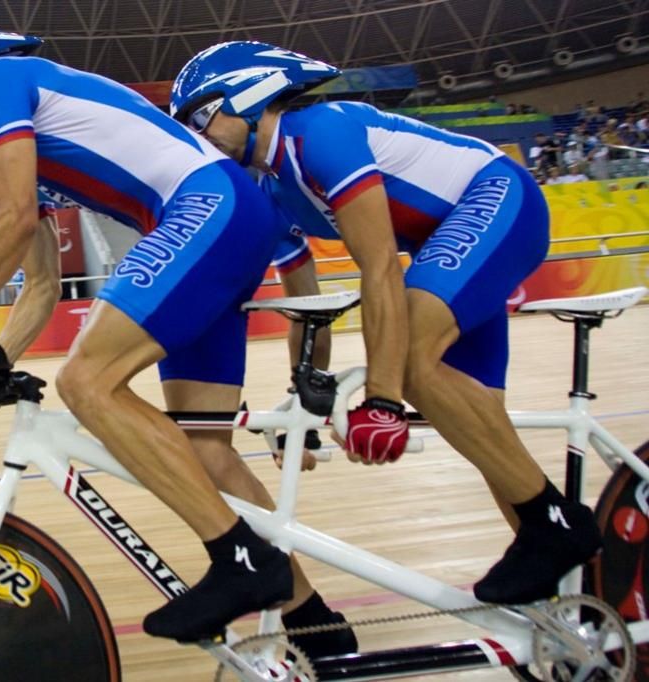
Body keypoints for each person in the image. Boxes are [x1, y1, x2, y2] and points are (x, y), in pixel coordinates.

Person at [0, 24, 357, 655]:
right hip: (223, 215)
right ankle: (313, 619)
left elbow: (9, 215)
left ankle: (241, 562)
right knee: (203, 446)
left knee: (86, 381)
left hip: (203, 207)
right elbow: (42, 283)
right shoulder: (15, 142)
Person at [170, 41, 603, 605]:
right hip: (447, 243)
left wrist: (383, 398)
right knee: (479, 422)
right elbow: (307, 302)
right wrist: (302, 401)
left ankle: (555, 525)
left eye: (201, 117)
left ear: (252, 98)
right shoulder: (267, 189)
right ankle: (577, 607)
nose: (195, 136)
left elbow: (378, 269)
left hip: (496, 199)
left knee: (409, 365)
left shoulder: (317, 132)